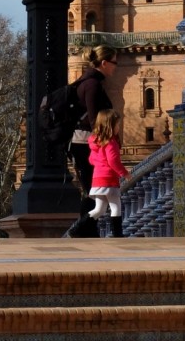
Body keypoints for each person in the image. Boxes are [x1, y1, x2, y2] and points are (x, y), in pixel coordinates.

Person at [65, 45, 119, 238]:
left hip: (83, 143)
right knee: (94, 189)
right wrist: (109, 145)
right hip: (85, 144)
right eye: (114, 62)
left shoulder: (87, 81)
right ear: (104, 63)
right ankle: (81, 229)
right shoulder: (92, 85)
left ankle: (87, 231)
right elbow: (96, 119)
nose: (115, 67)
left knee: (93, 189)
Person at [87, 109, 130, 237]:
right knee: (116, 206)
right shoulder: (111, 143)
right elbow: (113, 161)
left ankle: (77, 228)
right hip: (109, 179)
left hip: (97, 179)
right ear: (110, 126)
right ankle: (118, 234)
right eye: (117, 125)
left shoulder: (96, 142)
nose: (118, 128)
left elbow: (91, 160)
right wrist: (125, 173)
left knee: (99, 210)